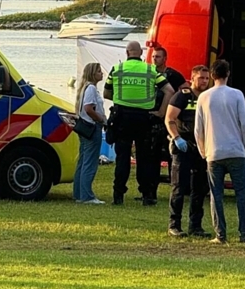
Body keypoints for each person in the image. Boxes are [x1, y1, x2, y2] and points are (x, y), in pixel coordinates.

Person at [104, 41, 174, 206]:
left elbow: (106, 93)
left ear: (127, 53)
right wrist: (162, 112)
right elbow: (169, 90)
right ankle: (147, 194)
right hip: (145, 118)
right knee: (145, 158)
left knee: (122, 158)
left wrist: (122, 97)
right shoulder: (150, 70)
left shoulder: (117, 70)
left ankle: (118, 194)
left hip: (122, 117)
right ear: (141, 54)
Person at [194, 60, 245, 244]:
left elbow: (198, 129)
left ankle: (220, 235)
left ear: (212, 75)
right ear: (228, 74)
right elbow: (244, 124)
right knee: (242, 194)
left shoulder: (204, 97)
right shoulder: (237, 95)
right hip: (236, 151)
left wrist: (203, 151)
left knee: (216, 194)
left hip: (214, 152)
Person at [164, 65, 212, 238]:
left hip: (202, 147)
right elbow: (169, 119)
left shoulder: (208, 98)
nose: (204, 81)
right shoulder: (182, 96)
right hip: (184, 145)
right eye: (201, 78)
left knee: (199, 188)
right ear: (192, 78)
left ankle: (196, 226)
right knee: (179, 186)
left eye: (207, 78)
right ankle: (174, 225)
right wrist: (176, 138)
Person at [150, 45, 188, 178]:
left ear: (165, 59)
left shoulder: (173, 75)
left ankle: (175, 182)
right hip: (153, 118)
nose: (154, 59)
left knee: (172, 153)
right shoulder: (149, 74)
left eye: (158, 56)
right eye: (153, 56)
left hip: (169, 119)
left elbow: (186, 91)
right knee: (152, 155)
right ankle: (150, 189)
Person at [73, 62, 108, 204]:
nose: (102, 74)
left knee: (83, 161)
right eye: (99, 71)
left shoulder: (84, 88)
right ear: (93, 73)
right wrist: (101, 119)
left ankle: (79, 193)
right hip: (92, 127)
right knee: (90, 162)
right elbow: (88, 108)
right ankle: (86, 195)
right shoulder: (91, 88)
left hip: (84, 127)